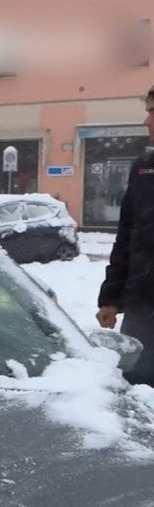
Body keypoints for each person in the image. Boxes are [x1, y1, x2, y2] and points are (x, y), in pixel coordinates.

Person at [96, 84, 154, 385]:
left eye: (153, 112)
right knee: (135, 394)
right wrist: (111, 298)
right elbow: (127, 237)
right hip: (143, 311)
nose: (147, 121)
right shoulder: (144, 169)